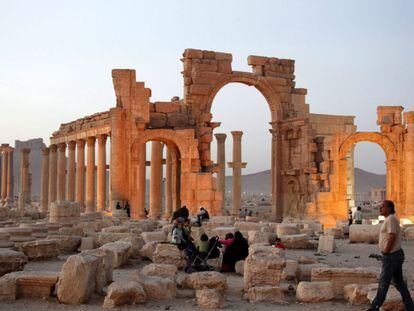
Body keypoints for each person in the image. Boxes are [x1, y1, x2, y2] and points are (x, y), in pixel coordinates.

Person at [367, 200, 414, 311]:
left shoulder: (391, 219)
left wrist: (386, 251)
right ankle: (410, 307)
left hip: (392, 256)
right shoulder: (389, 219)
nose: (380, 208)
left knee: (383, 283)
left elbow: (392, 236)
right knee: (399, 283)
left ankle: (374, 308)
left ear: (389, 208)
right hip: (395, 255)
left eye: (382, 206)